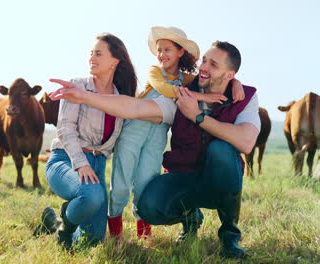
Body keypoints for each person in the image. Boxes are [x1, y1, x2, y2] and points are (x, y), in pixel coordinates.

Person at [48, 41, 259, 258]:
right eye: (204, 60)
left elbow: (245, 142)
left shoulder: (244, 97)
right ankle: (190, 219)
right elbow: (134, 107)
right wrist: (85, 96)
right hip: (185, 176)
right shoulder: (181, 96)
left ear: (229, 75)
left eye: (213, 64)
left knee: (222, 149)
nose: (203, 67)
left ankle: (229, 238)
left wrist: (199, 116)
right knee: (139, 211)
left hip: (219, 180)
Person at [107, 26, 244, 240]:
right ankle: (115, 236)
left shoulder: (187, 78)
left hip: (158, 134)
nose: (161, 54)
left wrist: (236, 82)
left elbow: (215, 77)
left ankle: (145, 237)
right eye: (159, 50)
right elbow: (165, 89)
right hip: (135, 128)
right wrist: (204, 98)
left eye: (167, 49)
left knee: (145, 182)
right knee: (122, 183)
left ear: (181, 52)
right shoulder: (154, 72)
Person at [38, 33, 138, 251]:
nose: (91, 58)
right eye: (91, 53)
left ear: (115, 61)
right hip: (66, 160)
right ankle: (65, 230)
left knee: (92, 240)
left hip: (98, 166)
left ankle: (56, 222)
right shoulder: (78, 86)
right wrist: (81, 163)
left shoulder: (122, 97)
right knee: (91, 196)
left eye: (98, 54)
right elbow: (65, 129)